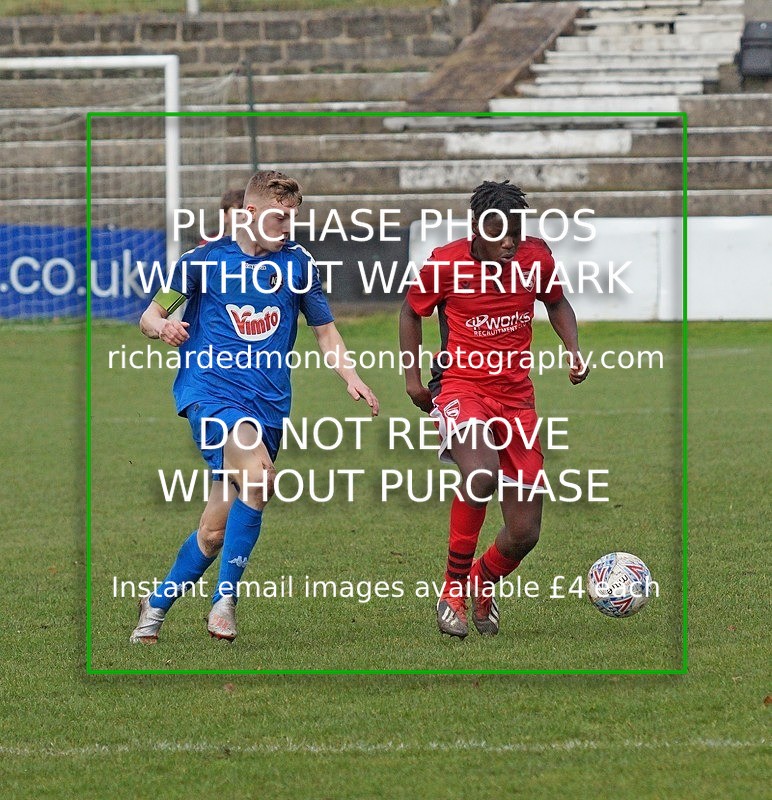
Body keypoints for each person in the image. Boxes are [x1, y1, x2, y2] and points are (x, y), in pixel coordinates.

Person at [130, 169, 379, 644]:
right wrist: (162, 329)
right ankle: (225, 601)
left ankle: (157, 602)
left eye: (293, 218)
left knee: (213, 532)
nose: (288, 227)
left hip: (267, 406)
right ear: (250, 213)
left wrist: (350, 375)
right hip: (210, 394)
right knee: (260, 476)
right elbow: (151, 314)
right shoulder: (202, 261)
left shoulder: (298, 264)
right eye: (279, 218)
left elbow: (324, 331)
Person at [399, 180, 588, 639]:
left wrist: (573, 348)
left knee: (525, 532)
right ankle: (452, 591)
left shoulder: (533, 257)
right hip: (462, 387)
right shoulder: (446, 263)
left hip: (517, 400)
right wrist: (411, 380)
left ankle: (482, 581)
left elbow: (557, 301)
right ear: (476, 229)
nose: (509, 241)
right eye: (499, 232)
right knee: (479, 473)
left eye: (515, 232)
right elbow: (410, 312)